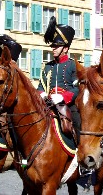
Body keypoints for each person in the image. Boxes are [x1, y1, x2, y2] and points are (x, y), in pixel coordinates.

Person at [37, 16, 80, 144]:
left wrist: (62, 97)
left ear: (65, 48)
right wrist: (44, 94)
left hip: (68, 105)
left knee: (79, 123)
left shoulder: (73, 65)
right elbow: (40, 87)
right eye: (53, 46)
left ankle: (81, 154)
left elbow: (77, 88)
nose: (53, 48)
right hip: (48, 104)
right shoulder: (47, 66)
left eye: (57, 46)